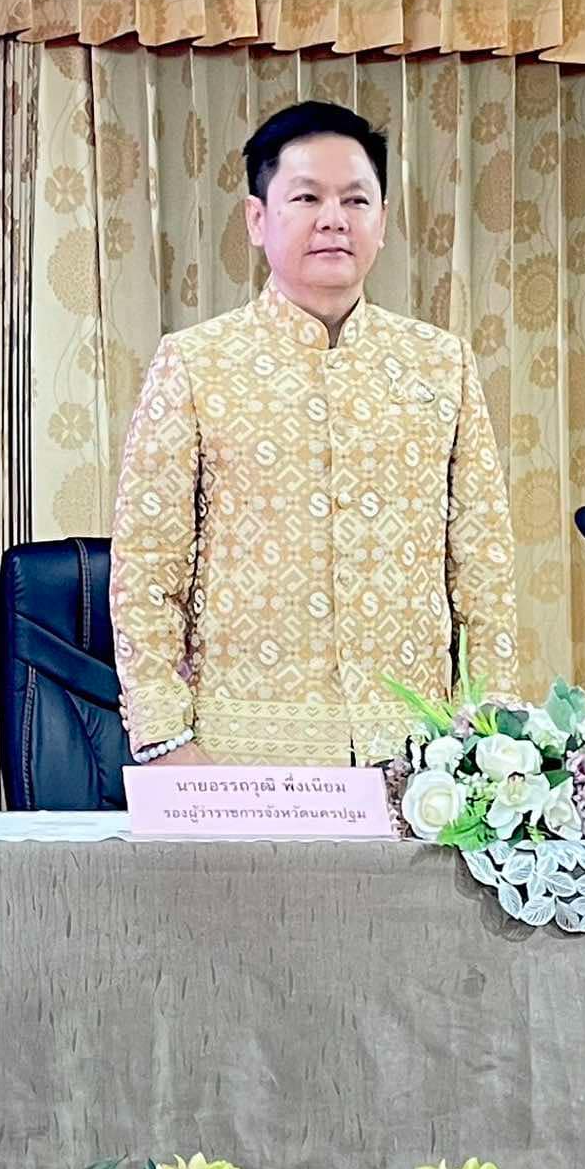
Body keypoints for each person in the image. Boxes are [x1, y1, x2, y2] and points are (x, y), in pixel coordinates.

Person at [109, 100, 520, 767]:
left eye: (356, 200)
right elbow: (147, 566)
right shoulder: (196, 363)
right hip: (239, 755)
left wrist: (494, 738)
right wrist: (165, 742)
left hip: (420, 758)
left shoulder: (441, 363)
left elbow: (483, 567)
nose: (334, 219)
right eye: (306, 198)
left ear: (383, 221)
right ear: (257, 219)